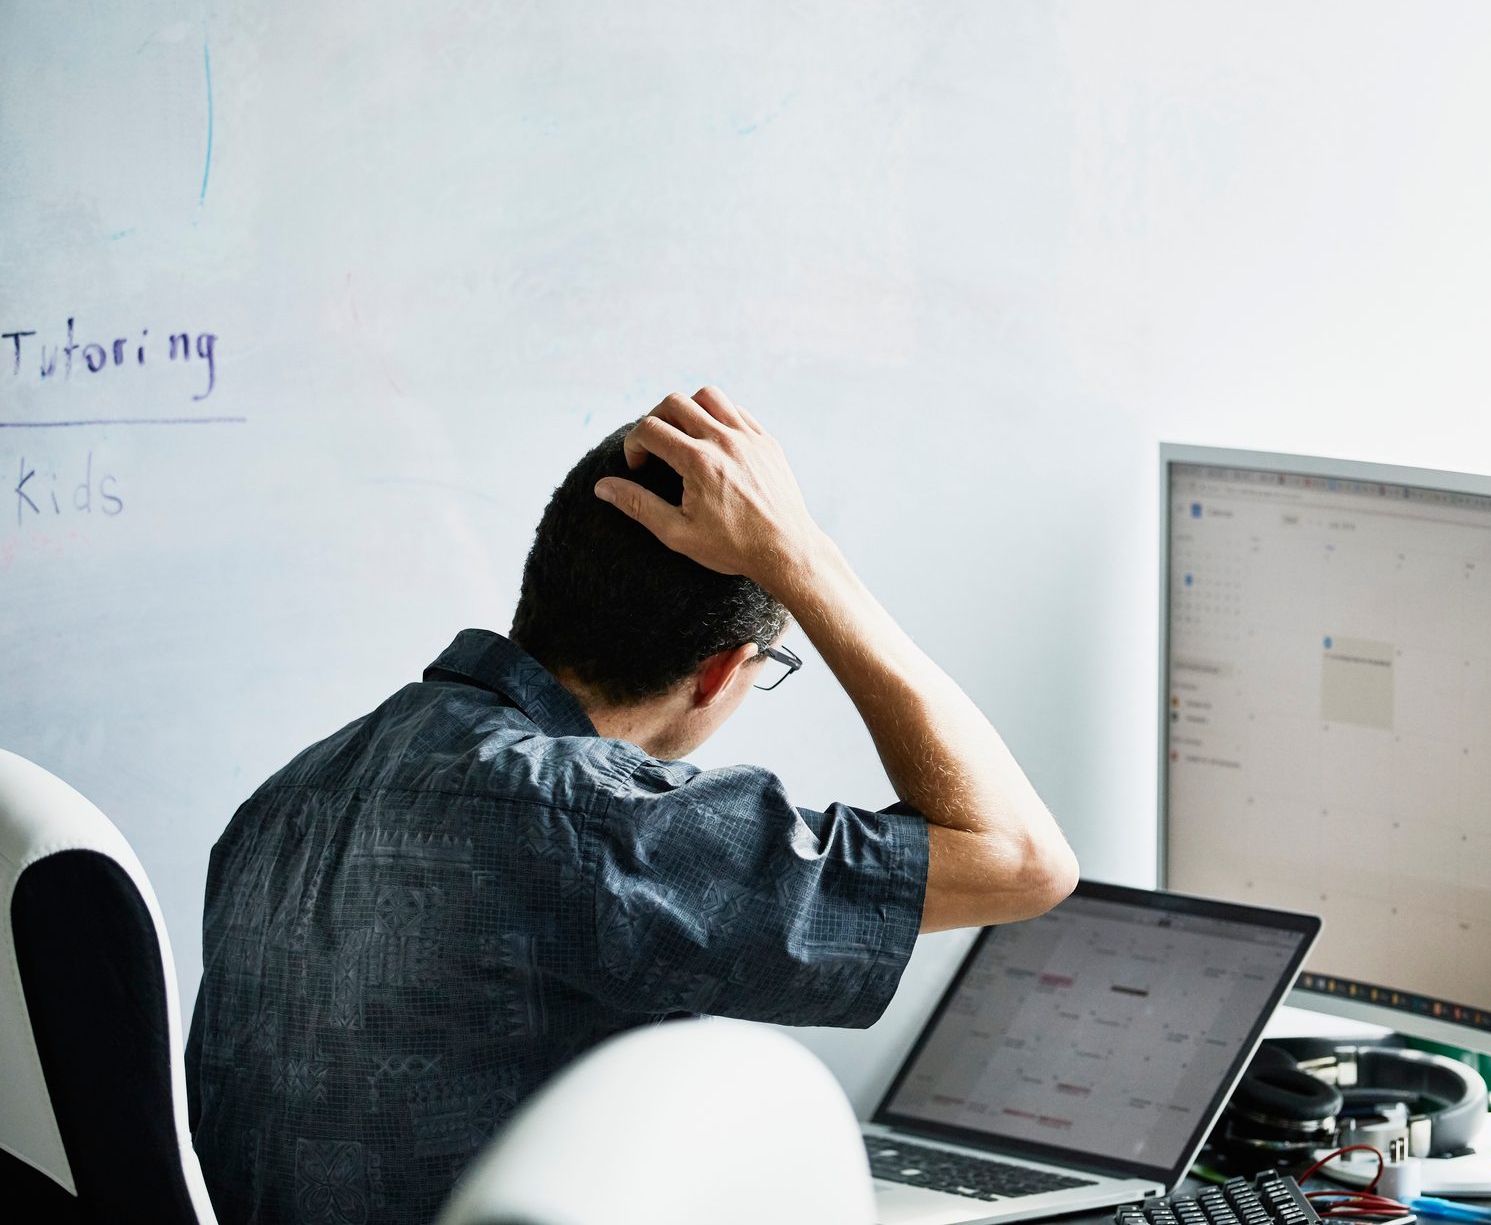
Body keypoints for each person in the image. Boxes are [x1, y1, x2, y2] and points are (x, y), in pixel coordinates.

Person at [185, 386, 1077, 1225]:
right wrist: (804, 562)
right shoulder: (591, 823)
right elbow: (1022, 861)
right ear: (723, 671)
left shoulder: (293, 794)